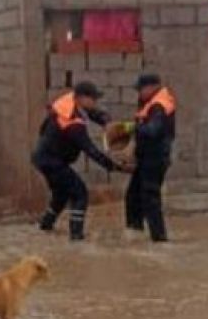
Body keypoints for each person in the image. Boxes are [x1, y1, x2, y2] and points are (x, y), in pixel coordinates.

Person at [32, 81, 122, 241]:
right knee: (80, 194)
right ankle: (76, 237)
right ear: (81, 98)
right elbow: (90, 150)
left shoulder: (70, 104)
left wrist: (106, 121)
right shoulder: (73, 123)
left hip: (44, 157)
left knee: (61, 194)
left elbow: (93, 113)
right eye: (93, 98)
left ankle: (45, 226)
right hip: (52, 161)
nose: (95, 102)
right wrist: (112, 166)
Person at [124, 73, 176, 243]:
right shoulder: (150, 103)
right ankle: (135, 233)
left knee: (150, 199)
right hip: (145, 158)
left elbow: (153, 130)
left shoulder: (158, 106)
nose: (139, 93)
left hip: (155, 159)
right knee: (133, 196)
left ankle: (159, 239)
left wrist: (133, 128)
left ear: (151, 87)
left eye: (141, 89)